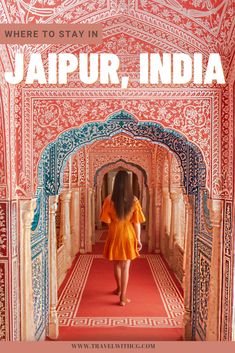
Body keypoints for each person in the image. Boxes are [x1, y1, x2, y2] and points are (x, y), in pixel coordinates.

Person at [99, 170, 146, 306]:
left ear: (115, 183)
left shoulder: (108, 199)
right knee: (126, 266)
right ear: (128, 184)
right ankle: (123, 297)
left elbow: (106, 221)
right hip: (128, 235)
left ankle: (119, 289)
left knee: (117, 264)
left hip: (114, 234)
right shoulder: (134, 200)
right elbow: (136, 222)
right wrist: (138, 239)